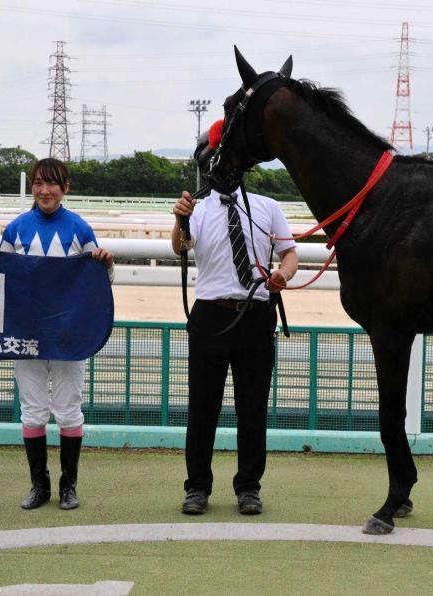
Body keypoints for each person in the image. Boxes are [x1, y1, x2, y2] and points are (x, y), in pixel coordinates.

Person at [0, 158, 114, 510]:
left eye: (53, 184)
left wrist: (106, 263)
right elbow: (0, 275)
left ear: (66, 188)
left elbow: (98, 281)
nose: (45, 190)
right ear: (32, 187)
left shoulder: (79, 228)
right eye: (39, 184)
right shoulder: (16, 228)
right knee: (32, 411)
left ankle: (68, 486)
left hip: (68, 335)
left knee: (68, 409)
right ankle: (39, 486)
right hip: (26, 333)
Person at [171, 127, 299, 515]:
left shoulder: (267, 207)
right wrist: (179, 219)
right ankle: (197, 488)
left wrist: (284, 275)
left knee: (253, 407)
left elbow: (290, 254)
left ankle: (248, 487)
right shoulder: (197, 207)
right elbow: (179, 246)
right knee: (202, 407)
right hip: (210, 314)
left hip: (257, 313)